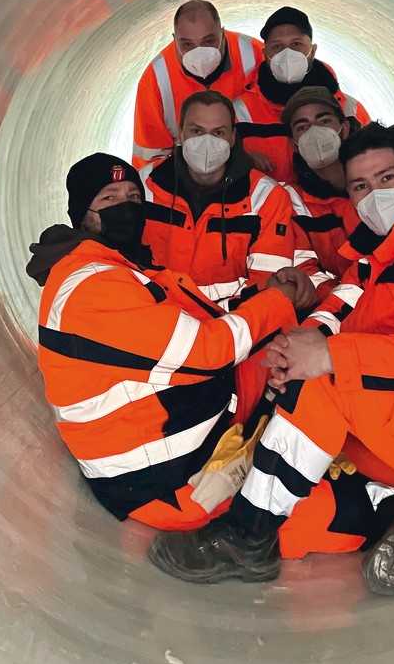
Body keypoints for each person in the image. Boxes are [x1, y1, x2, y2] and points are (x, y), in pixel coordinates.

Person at [148, 123, 394, 592]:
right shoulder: (378, 255)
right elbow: (336, 311)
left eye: (387, 178)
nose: (375, 194)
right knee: (292, 507)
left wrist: (326, 357)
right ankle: (393, 509)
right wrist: (291, 354)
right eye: (360, 186)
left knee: (328, 380)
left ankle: (246, 538)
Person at [26, 152, 314, 534]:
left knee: (286, 364)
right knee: (325, 486)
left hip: (163, 449)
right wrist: (278, 303)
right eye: (108, 199)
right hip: (167, 482)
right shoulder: (94, 285)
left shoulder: (115, 268)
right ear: (81, 214)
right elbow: (208, 352)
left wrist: (263, 301)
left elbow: (188, 319)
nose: (125, 208)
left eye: (132, 196)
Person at [140, 89, 318, 312]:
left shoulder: (266, 198)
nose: (207, 142)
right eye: (197, 131)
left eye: (218, 133)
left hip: (229, 323)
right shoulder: (145, 184)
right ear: (181, 135)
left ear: (233, 137)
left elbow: (267, 287)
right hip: (153, 315)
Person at [234, 6, 370, 182]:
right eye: (277, 47)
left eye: (296, 44)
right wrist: (241, 159)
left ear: (312, 51)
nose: (287, 53)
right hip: (270, 207)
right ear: (265, 54)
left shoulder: (349, 109)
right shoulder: (239, 111)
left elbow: (373, 163)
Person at [132, 0, 264, 169]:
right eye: (187, 44)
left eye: (209, 41)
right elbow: (150, 157)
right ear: (175, 39)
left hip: (254, 165)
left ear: (222, 33)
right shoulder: (156, 79)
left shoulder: (253, 54)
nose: (199, 52)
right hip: (187, 175)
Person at [281, 86, 360, 288]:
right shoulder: (294, 201)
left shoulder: (383, 175)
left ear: (345, 128)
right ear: (294, 144)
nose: (314, 132)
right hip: (347, 306)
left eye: (324, 121)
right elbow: (306, 270)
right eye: (302, 127)